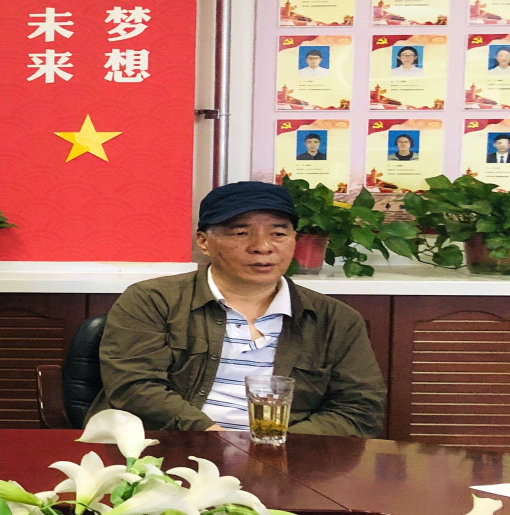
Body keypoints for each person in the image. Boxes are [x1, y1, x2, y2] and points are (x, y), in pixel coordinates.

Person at [86, 181, 384, 436]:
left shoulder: (336, 320)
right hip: (168, 449)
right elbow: (134, 387)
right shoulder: (151, 300)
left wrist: (273, 448)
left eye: (279, 234)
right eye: (240, 233)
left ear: (294, 240)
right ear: (204, 242)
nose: (262, 246)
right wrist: (218, 440)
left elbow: (359, 409)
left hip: (290, 458)